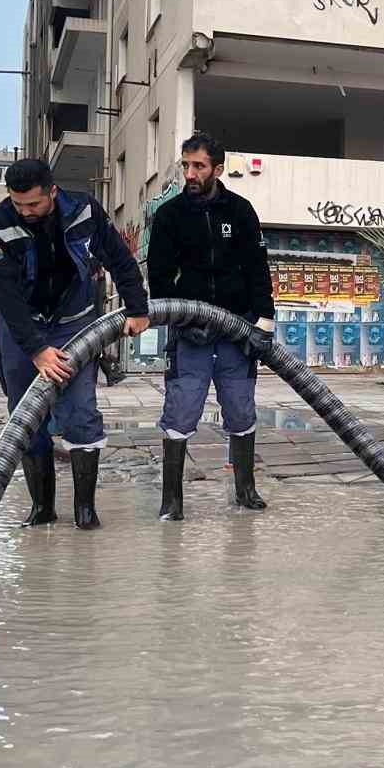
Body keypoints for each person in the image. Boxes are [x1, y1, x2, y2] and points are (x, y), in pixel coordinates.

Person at [0, 158, 149, 529]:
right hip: (22, 327)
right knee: (25, 416)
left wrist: (137, 308)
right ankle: (42, 509)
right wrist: (36, 350)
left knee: (80, 412)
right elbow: (5, 296)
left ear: (52, 192)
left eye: (34, 205)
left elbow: (120, 259)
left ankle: (85, 512)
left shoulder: (85, 211)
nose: (25, 212)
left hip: (75, 324)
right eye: (18, 204)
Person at [147, 132, 276, 521]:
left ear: (217, 169)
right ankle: (172, 500)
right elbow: (160, 277)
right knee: (181, 409)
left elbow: (257, 268)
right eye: (186, 165)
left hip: (237, 332)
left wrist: (263, 323)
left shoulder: (240, 211)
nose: (190, 173)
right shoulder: (170, 215)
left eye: (198, 166)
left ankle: (245, 490)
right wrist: (183, 319)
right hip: (191, 334)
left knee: (240, 408)